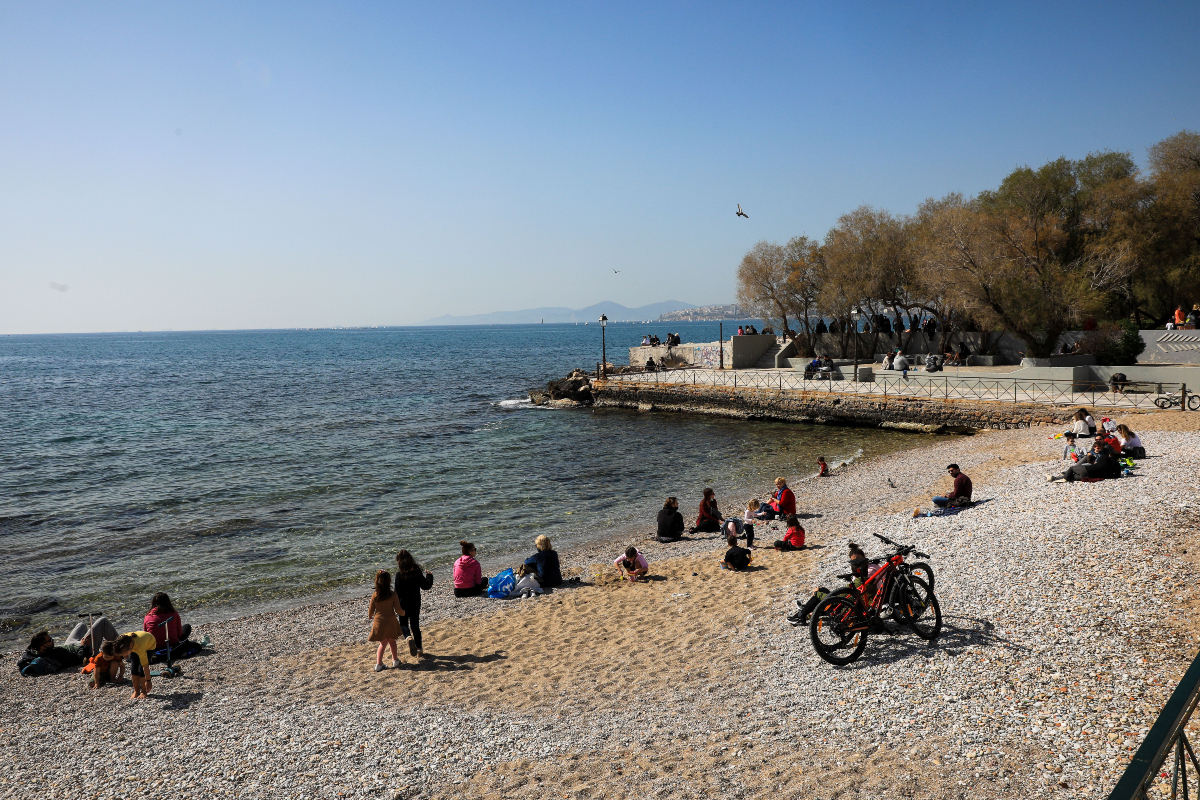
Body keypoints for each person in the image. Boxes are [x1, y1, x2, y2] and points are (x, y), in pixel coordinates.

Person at [394, 550, 434, 658]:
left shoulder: (399, 575)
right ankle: (419, 649)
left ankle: (408, 637)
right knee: (415, 626)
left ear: (399, 562)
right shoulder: (416, 573)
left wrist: (394, 605)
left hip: (403, 604)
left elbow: (396, 593)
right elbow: (426, 586)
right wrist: (429, 576)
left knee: (403, 624)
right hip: (415, 604)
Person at [367, 570, 404, 672]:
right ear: (389, 581)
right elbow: (398, 610)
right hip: (390, 621)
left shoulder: (375, 595)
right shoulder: (392, 595)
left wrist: (370, 616)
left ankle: (379, 664)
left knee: (383, 643)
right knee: (392, 641)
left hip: (379, 621)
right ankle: (395, 660)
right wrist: (404, 613)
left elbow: (371, 609)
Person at [17, 630, 87, 676]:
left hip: (68, 644)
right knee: (96, 625)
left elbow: (21, 663)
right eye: (50, 640)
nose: (53, 640)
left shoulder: (32, 654)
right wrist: (84, 645)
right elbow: (79, 658)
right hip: (78, 647)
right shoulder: (57, 654)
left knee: (81, 625)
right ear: (43, 647)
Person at [111, 630, 158, 699]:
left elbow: (145, 665)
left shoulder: (139, 647)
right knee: (134, 668)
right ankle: (136, 690)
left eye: (125, 653)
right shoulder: (122, 641)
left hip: (149, 644)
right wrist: (125, 654)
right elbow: (120, 649)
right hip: (134, 645)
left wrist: (148, 681)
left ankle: (144, 691)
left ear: (131, 646)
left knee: (141, 669)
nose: (124, 656)